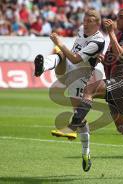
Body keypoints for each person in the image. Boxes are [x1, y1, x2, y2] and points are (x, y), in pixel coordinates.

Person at [52, 8, 123, 178]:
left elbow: (122, 55)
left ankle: (72, 127)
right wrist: (102, 57)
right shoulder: (117, 37)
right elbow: (115, 57)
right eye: (117, 16)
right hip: (117, 85)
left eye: (122, 17)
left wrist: (111, 33)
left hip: (122, 81)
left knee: (90, 89)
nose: (117, 19)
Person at [33, 9, 105, 172]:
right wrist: (61, 48)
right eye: (84, 19)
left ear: (97, 23)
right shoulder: (81, 31)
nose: (85, 23)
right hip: (70, 70)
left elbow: (76, 58)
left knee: (78, 118)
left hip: (82, 77)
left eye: (90, 20)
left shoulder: (99, 41)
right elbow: (72, 53)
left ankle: (86, 152)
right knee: (60, 55)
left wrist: (59, 43)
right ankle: (43, 66)